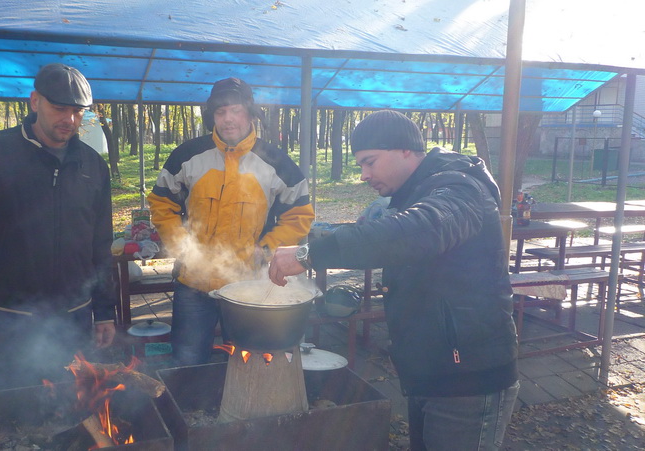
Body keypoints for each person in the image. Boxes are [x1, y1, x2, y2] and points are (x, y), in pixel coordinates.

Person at [269, 110, 519, 450]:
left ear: (405, 149)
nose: (364, 175)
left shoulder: (460, 187)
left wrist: (309, 254)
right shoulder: (418, 191)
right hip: (432, 371)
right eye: (360, 165)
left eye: (370, 162)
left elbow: (420, 229)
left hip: (470, 379)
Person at [0, 63, 117, 389]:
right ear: (35, 101)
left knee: (71, 402)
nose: (70, 119)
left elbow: (101, 243)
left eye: (78, 111)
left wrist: (105, 311)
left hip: (73, 318)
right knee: (10, 404)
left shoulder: (93, 166)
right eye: (59, 108)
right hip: (7, 318)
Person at [147, 77, 315, 365]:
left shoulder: (276, 162)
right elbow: (162, 204)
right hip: (193, 283)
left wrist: (267, 249)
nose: (228, 119)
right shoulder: (187, 156)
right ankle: (193, 395)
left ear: (250, 114)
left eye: (236, 110)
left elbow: (299, 214)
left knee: (247, 362)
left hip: (250, 286)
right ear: (212, 116)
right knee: (188, 361)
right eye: (221, 111)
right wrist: (183, 247)